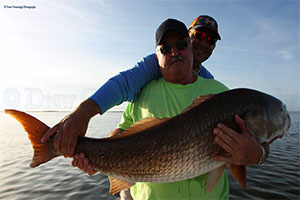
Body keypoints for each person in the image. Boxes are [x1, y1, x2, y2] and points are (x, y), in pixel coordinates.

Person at [42, 15, 267, 182]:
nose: (203, 43)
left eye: (210, 40)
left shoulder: (217, 90)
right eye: (198, 35)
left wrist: (257, 155)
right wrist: (85, 123)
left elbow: (259, 141)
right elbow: (123, 86)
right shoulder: (147, 77)